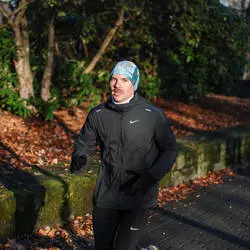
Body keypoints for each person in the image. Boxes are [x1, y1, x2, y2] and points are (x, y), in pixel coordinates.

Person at [70, 60, 178, 250]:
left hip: (138, 194)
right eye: (113, 79)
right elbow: (85, 143)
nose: (117, 85)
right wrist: (80, 157)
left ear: (134, 84)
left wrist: (151, 176)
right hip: (107, 193)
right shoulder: (98, 114)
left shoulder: (152, 115)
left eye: (124, 80)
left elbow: (169, 150)